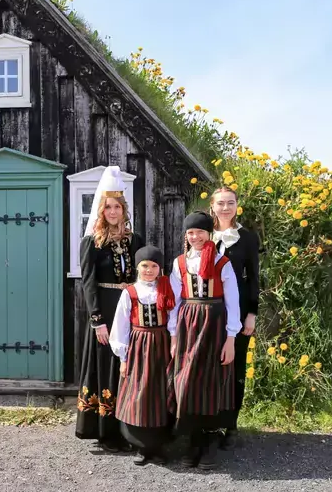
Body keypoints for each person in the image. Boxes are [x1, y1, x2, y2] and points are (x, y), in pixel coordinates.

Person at [76, 166, 144, 452]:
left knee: (129, 366)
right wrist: (97, 321)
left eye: (117, 207)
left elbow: (144, 278)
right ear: (101, 210)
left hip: (130, 309)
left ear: (124, 209)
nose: (113, 212)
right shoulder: (91, 242)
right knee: (105, 366)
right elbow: (88, 283)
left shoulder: (135, 241)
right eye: (108, 207)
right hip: (105, 309)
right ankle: (105, 431)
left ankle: (130, 427)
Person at [167, 211, 242, 470]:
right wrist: (174, 335)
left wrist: (231, 338)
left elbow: (233, 303)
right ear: (185, 236)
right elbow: (174, 302)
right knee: (186, 382)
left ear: (209, 234)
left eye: (200, 232)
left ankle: (209, 443)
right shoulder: (179, 263)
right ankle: (192, 441)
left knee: (211, 382)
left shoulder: (222, 263)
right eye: (190, 232)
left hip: (215, 325)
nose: (195, 236)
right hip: (189, 324)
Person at [109, 245, 176, 466]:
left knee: (160, 392)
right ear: (137, 268)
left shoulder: (166, 289)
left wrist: (174, 343)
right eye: (145, 266)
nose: (149, 270)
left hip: (162, 344)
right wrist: (123, 357)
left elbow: (174, 319)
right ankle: (141, 446)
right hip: (138, 345)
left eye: (154, 266)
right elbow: (120, 327)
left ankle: (159, 446)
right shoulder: (130, 293)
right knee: (139, 393)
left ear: (160, 268)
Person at [210, 187, 261, 450]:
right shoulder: (203, 235)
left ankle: (230, 424)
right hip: (208, 313)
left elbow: (253, 278)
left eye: (230, 203)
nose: (226, 208)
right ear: (213, 206)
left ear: (237, 206)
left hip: (238, 312)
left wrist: (252, 314)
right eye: (221, 203)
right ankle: (207, 422)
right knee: (209, 365)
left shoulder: (248, 238)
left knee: (235, 365)